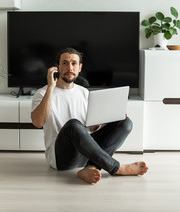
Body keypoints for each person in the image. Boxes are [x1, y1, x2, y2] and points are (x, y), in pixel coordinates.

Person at [31, 47, 148, 184]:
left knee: (125, 122)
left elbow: (91, 129)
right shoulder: (42, 93)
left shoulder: (84, 92)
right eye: (65, 63)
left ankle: (91, 167)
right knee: (74, 125)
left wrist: (110, 119)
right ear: (57, 67)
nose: (70, 67)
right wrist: (51, 87)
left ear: (79, 68)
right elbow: (38, 122)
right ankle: (116, 168)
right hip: (61, 158)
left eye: (74, 63)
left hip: (87, 153)